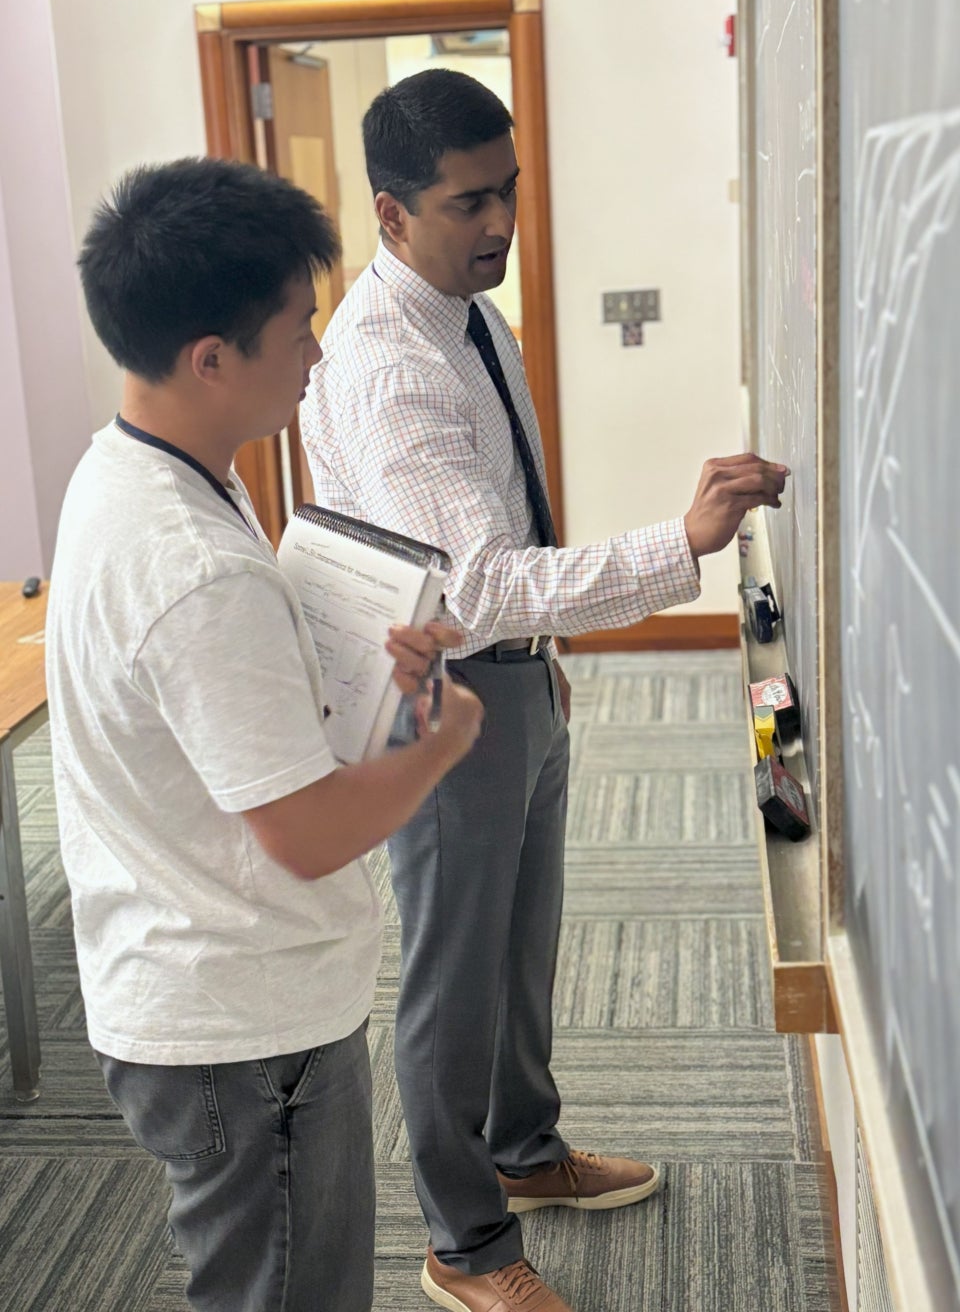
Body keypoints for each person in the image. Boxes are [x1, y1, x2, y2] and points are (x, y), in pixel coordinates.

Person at [300, 69, 788, 1312]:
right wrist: (680, 545)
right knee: (452, 976)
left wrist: (545, 676)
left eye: (508, 191)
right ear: (392, 214)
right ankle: (462, 1243)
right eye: (470, 203)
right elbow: (484, 586)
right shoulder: (387, 367)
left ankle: (524, 1153)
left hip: (514, 685)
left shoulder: (468, 316)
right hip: (445, 699)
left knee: (523, 946)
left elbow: (505, 548)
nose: (501, 223)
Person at [45, 156, 483, 1312]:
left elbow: (213, 711)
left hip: (200, 983)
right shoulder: (192, 566)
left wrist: (342, 662)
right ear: (212, 359)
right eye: (300, 329)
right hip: (240, 1027)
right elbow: (300, 832)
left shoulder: (136, 469)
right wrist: (440, 740)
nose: (319, 355)